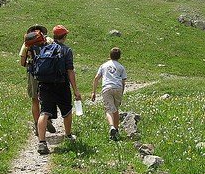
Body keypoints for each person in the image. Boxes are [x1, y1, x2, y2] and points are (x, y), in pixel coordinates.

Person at [36, 24, 82, 155]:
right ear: (65, 36)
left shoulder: (44, 48)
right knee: (67, 111)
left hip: (44, 84)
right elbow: (70, 71)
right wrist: (76, 90)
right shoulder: (67, 50)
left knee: (44, 112)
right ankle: (68, 135)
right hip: (61, 85)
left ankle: (42, 142)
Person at [19, 25, 56, 135]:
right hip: (48, 74)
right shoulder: (49, 40)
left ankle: (37, 125)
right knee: (47, 98)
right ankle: (47, 119)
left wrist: (31, 65)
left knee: (35, 99)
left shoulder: (26, 43)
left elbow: (22, 63)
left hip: (33, 74)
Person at [92, 47, 127, 141]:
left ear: (109, 55)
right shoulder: (121, 67)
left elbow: (96, 78)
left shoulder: (104, 65)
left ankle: (111, 127)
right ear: (119, 57)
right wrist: (122, 93)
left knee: (108, 109)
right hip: (118, 88)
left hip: (107, 88)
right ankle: (116, 130)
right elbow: (123, 81)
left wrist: (94, 92)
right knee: (115, 109)